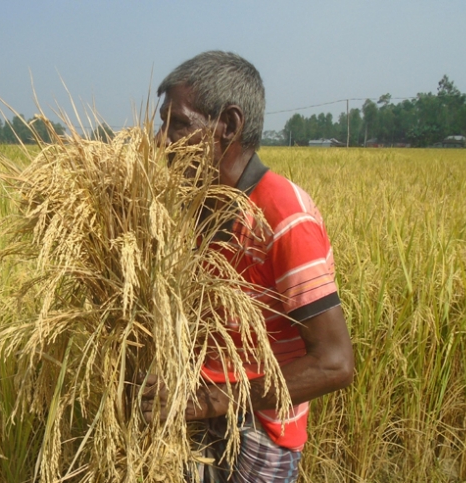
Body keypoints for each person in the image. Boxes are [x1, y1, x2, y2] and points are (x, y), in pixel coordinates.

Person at [140, 51, 354, 482]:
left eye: (178, 123)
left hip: (259, 432)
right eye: (162, 123)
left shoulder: (284, 218)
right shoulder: (194, 207)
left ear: (229, 126)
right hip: (197, 418)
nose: (161, 140)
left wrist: (217, 399)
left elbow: (335, 363)